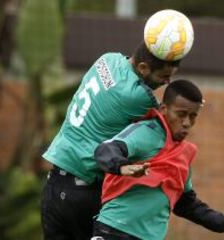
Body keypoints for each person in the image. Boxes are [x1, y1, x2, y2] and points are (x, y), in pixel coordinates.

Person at [92, 80, 224, 240]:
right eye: (181, 114)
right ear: (163, 109)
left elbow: (187, 205)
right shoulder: (147, 132)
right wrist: (122, 166)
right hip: (113, 232)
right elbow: (106, 150)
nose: (187, 123)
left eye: (193, 117)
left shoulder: (183, 155)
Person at [40, 42, 180, 240]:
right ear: (143, 68)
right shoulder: (138, 97)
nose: (167, 82)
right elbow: (163, 128)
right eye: (163, 76)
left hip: (54, 186)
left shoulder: (107, 59)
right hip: (84, 193)